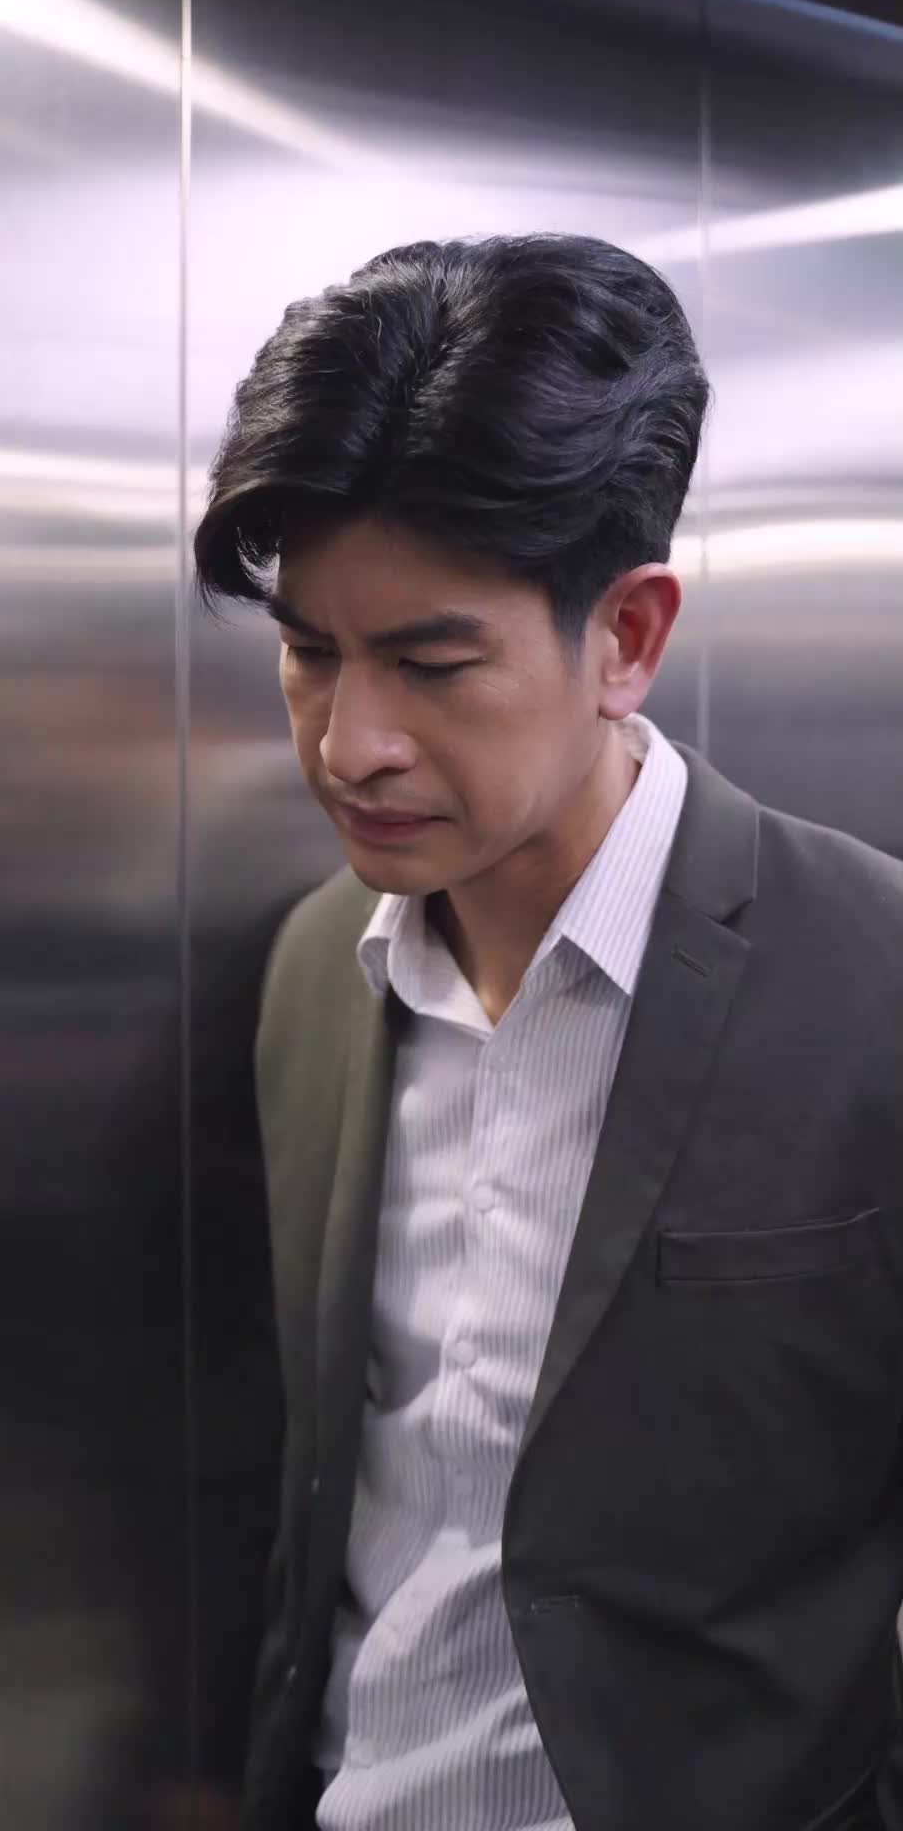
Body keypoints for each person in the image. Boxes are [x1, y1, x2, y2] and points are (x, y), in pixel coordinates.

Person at [192, 233, 903, 1831]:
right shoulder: (316, 973)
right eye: (309, 653)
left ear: (627, 638)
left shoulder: (872, 984)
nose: (349, 743)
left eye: (432, 664)